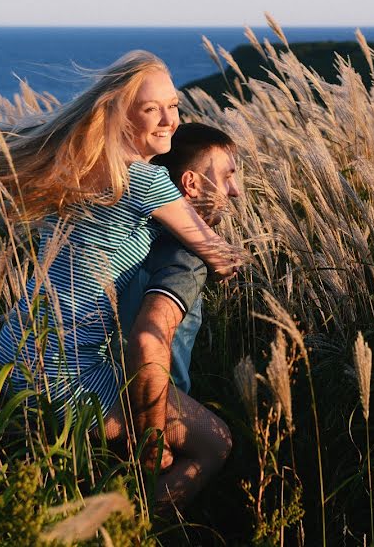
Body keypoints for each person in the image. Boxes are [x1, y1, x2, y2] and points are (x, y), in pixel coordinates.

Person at [0, 51, 242, 497]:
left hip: (12, 359)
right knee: (215, 444)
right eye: (151, 109)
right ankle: (140, 531)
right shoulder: (146, 182)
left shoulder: (77, 166)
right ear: (119, 112)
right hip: (65, 375)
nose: (169, 120)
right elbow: (219, 256)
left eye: (173, 106)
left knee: (61, 488)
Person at [112, 123, 241, 508]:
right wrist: (151, 437)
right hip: (139, 398)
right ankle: (139, 532)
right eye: (228, 176)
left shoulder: (129, 234)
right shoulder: (186, 258)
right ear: (191, 184)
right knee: (215, 445)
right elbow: (149, 339)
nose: (234, 190)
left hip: (84, 383)